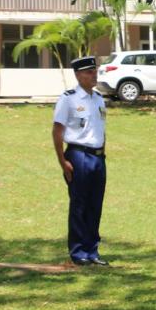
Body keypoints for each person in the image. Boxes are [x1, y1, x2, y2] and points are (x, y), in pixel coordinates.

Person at [52, 56, 111, 266]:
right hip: (78, 155)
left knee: (95, 205)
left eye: (94, 71)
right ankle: (78, 252)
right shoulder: (68, 99)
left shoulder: (98, 99)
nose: (93, 75)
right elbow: (57, 131)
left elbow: (99, 129)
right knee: (79, 205)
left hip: (97, 157)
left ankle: (92, 250)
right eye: (88, 72)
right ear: (78, 75)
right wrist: (62, 161)